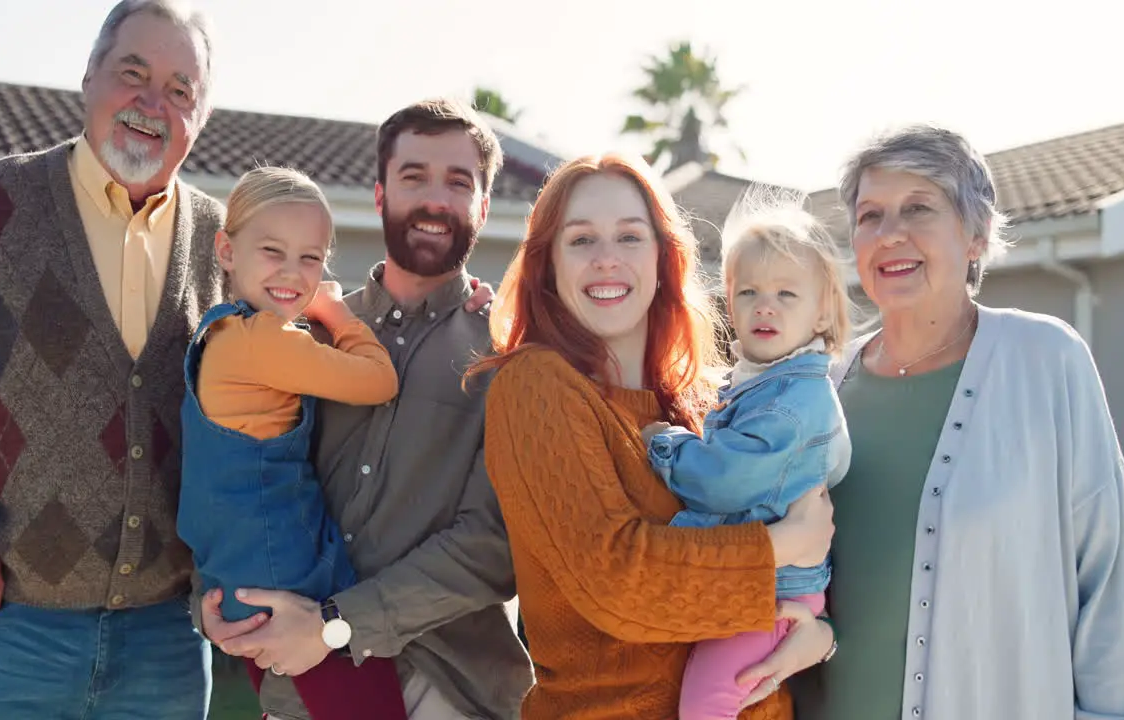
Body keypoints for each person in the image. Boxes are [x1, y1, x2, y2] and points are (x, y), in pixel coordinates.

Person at [0, 1, 225, 717]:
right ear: (88, 79)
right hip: (15, 632)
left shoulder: (226, 241)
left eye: (181, 90)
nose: (153, 104)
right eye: (133, 73)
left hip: (169, 642)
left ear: (201, 117)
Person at [787, 124, 1124, 720]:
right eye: (870, 215)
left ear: (976, 235)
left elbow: (1112, 580)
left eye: (918, 208)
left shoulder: (1045, 359)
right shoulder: (819, 387)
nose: (889, 234)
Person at [197, 98, 534, 720]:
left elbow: (494, 545)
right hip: (299, 684)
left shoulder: (510, 357)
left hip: (449, 684)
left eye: (458, 183)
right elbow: (237, 467)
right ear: (379, 194)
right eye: (413, 177)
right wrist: (213, 600)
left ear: (483, 206)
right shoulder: (302, 336)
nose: (435, 199)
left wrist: (334, 623)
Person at [470, 153, 837, 720]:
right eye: (582, 240)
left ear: (665, 258)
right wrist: (785, 546)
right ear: (548, 265)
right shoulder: (536, 386)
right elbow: (620, 582)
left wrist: (816, 634)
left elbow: (791, 544)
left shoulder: (705, 404)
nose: (608, 260)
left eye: (630, 237)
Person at [176, 166, 407, 720]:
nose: (294, 272)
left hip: (240, 575)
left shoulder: (218, 334)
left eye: (311, 258)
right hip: (289, 580)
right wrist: (337, 313)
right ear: (227, 251)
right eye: (272, 251)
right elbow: (380, 380)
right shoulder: (265, 340)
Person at [639, 187, 852, 720]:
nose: (765, 305)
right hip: (758, 586)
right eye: (749, 291)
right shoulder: (758, 383)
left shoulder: (794, 401)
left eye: (787, 294)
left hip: (774, 596)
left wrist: (666, 444)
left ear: (822, 314)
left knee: (706, 705)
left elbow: (727, 481)